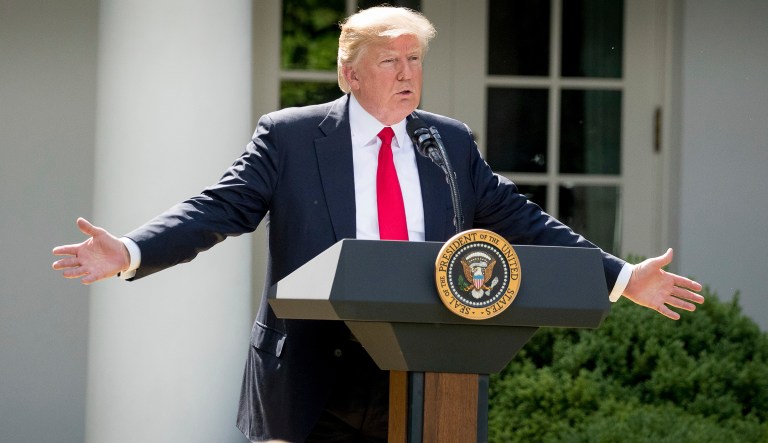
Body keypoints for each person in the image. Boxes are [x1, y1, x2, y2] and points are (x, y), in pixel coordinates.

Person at [51, 6, 703, 443]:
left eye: (415, 60)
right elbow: (219, 208)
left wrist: (619, 277)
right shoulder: (291, 138)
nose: (407, 74)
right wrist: (132, 250)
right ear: (349, 71)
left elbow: (517, 216)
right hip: (311, 377)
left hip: (421, 373)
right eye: (391, 61)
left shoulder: (448, 144)